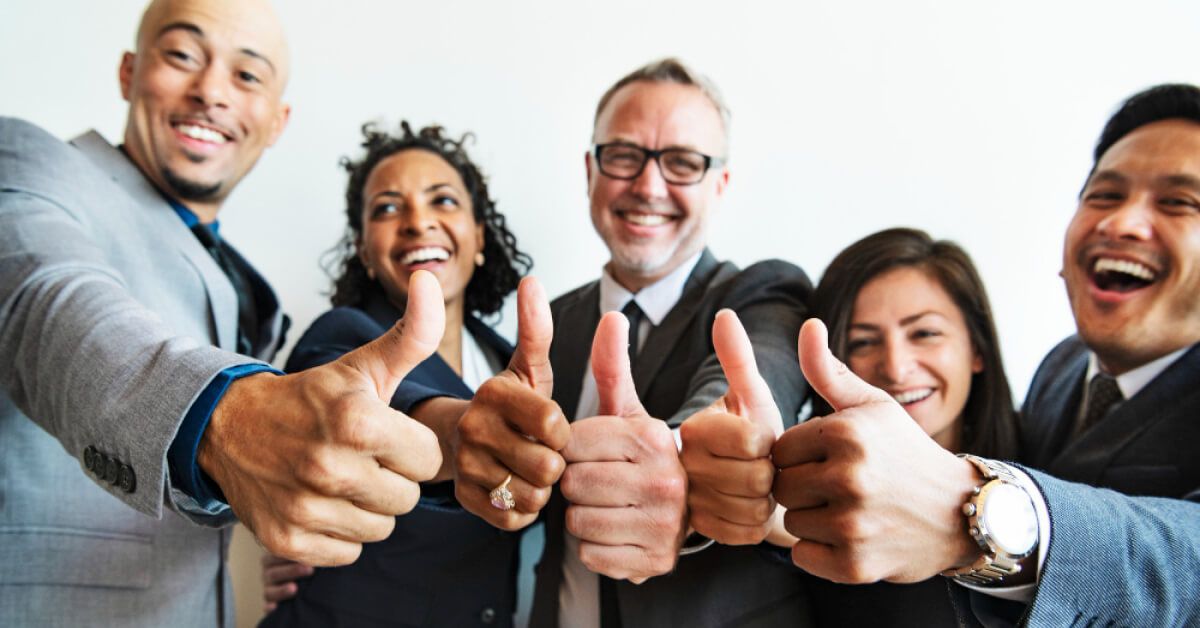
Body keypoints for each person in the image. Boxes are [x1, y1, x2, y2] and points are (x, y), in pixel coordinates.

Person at [0, 1, 443, 625]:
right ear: (129, 73)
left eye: (247, 76)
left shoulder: (236, 279)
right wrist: (225, 419)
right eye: (182, 55)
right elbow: (52, 306)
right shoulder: (30, 165)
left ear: (277, 120)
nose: (210, 91)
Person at [769, 84, 1200, 626]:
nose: (1122, 223)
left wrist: (974, 518)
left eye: (1179, 202)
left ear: (976, 347)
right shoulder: (1063, 369)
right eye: (1105, 195)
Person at [440, 58, 814, 627]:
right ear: (590, 170)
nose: (648, 186)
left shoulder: (762, 292)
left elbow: (744, 394)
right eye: (623, 156)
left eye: (683, 163)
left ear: (720, 184)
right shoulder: (551, 322)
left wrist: (678, 463)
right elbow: (507, 490)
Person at [259, 121, 532, 627]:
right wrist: (465, 435)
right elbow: (380, 412)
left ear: (478, 238)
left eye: (443, 201)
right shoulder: (339, 338)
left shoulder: (509, 359)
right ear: (364, 250)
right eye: (387, 208)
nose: (417, 221)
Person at [802, 227, 1020, 626]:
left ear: (977, 349)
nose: (896, 368)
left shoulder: (1048, 475)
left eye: (925, 333)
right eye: (863, 342)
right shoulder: (802, 514)